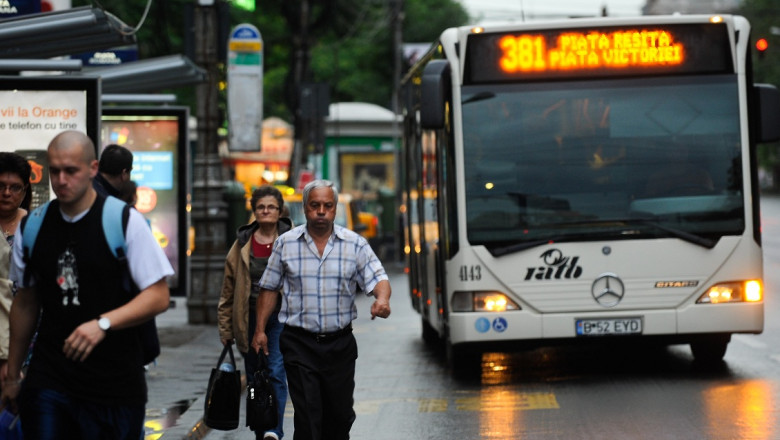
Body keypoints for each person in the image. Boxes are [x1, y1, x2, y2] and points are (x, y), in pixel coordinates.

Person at [0, 130, 173, 439]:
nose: (62, 180)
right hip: (50, 377)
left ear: (93, 169)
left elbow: (158, 295)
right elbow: (25, 301)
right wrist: (13, 376)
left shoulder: (123, 221)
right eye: (54, 171)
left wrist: (103, 323)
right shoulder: (34, 225)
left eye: (71, 171)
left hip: (114, 382)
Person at [252, 179, 391, 440]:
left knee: (340, 417)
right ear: (305, 208)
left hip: (339, 345)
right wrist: (260, 329)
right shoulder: (286, 244)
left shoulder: (354, 244)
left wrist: (381, 300)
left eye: (327, 206)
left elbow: (378, 278)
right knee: (308, 416)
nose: (321, 211)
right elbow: (269, 288)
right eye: (315, 205)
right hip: (299, 343)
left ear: (335, 209)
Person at [218, 185, 292, 440]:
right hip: (247, 318)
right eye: (261, 207)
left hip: (282, 319)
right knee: (254, 377)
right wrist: (226, 329)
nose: (266, 211)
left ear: (280, 210)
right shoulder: (241, 245)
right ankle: (261, 430)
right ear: (254, 211)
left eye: (271, 207)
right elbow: (228, 290)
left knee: (275, 371)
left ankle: (275, 430)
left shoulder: (292, 239)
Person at [0, 153, 31, 388]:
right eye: (0, 186)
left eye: (14, 187)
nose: (7, 193)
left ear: (25, 190)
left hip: (26, 333)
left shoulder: (35, 225)